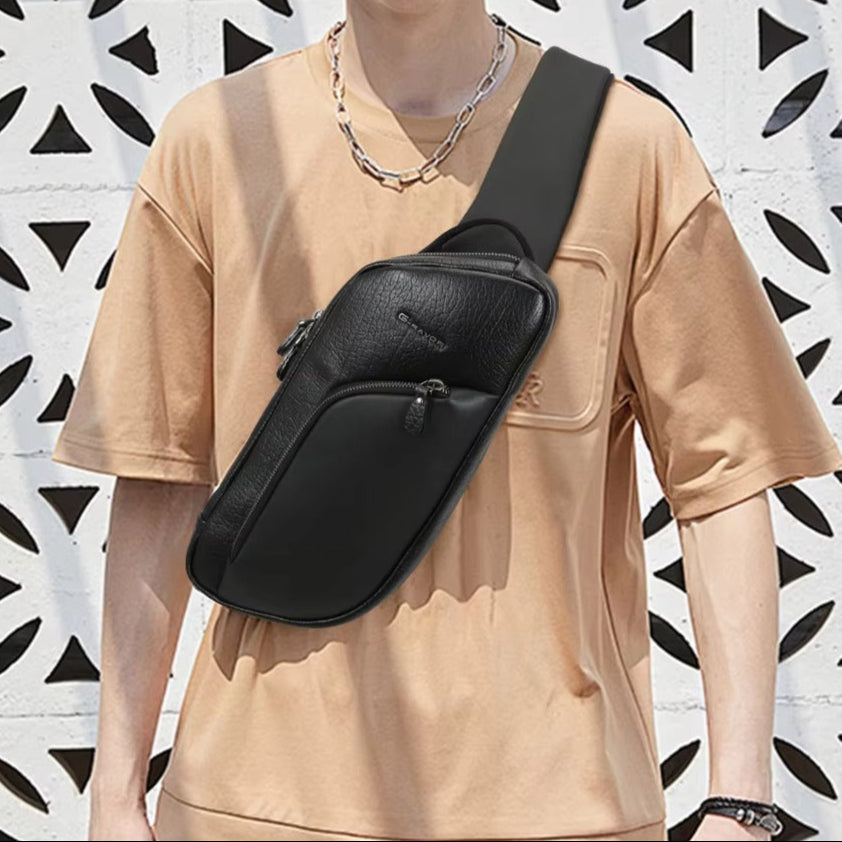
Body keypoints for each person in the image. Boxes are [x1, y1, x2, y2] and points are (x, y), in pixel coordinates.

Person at [51, 2, 842, 841]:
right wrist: (113, 798)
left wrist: (740, 802)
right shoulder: (215, 141)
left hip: (559, 804)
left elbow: (722, 479)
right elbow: (160, 474)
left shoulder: (627, 147)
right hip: (252, 803)